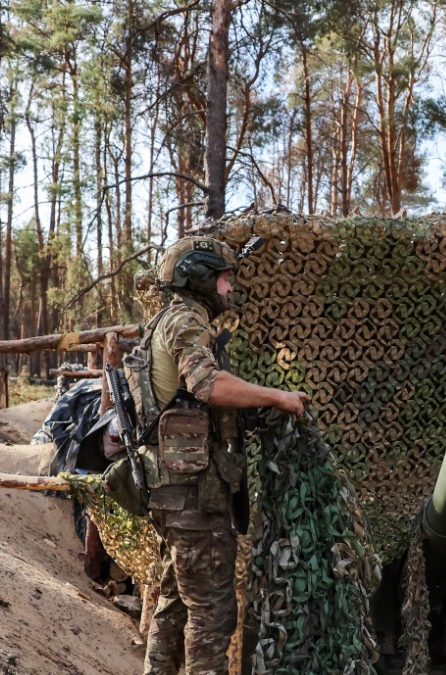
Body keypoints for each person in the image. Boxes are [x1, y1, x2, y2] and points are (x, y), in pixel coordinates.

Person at [131, 235, 308, 675]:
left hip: (173, 492)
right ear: (202, 278)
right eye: (225, 279)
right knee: (212, 614)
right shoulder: (186, 320)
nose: (229, 289)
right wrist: (279, 396)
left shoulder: (163, 320)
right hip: (191, 496)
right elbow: (208, 386)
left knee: (174, 605)